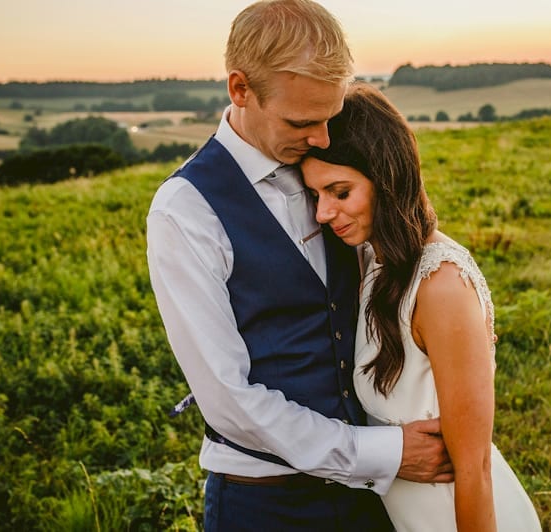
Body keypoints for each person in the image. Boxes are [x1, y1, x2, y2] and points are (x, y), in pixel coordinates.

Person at [146, 1, 450, 530]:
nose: (324, 139)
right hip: (266, 502)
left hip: (379, 496)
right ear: (240, 89)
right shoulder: (184, 211)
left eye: (329, 118)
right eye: (302, 121)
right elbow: (228, 401)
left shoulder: (326, 161)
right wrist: (380, 451)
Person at [301, 83, 543, 531]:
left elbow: (475, 469)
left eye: (339, 192)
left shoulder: (441, 286)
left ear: (386, 178)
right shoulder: (374, 258)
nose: (322, 213)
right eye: (315, 195)